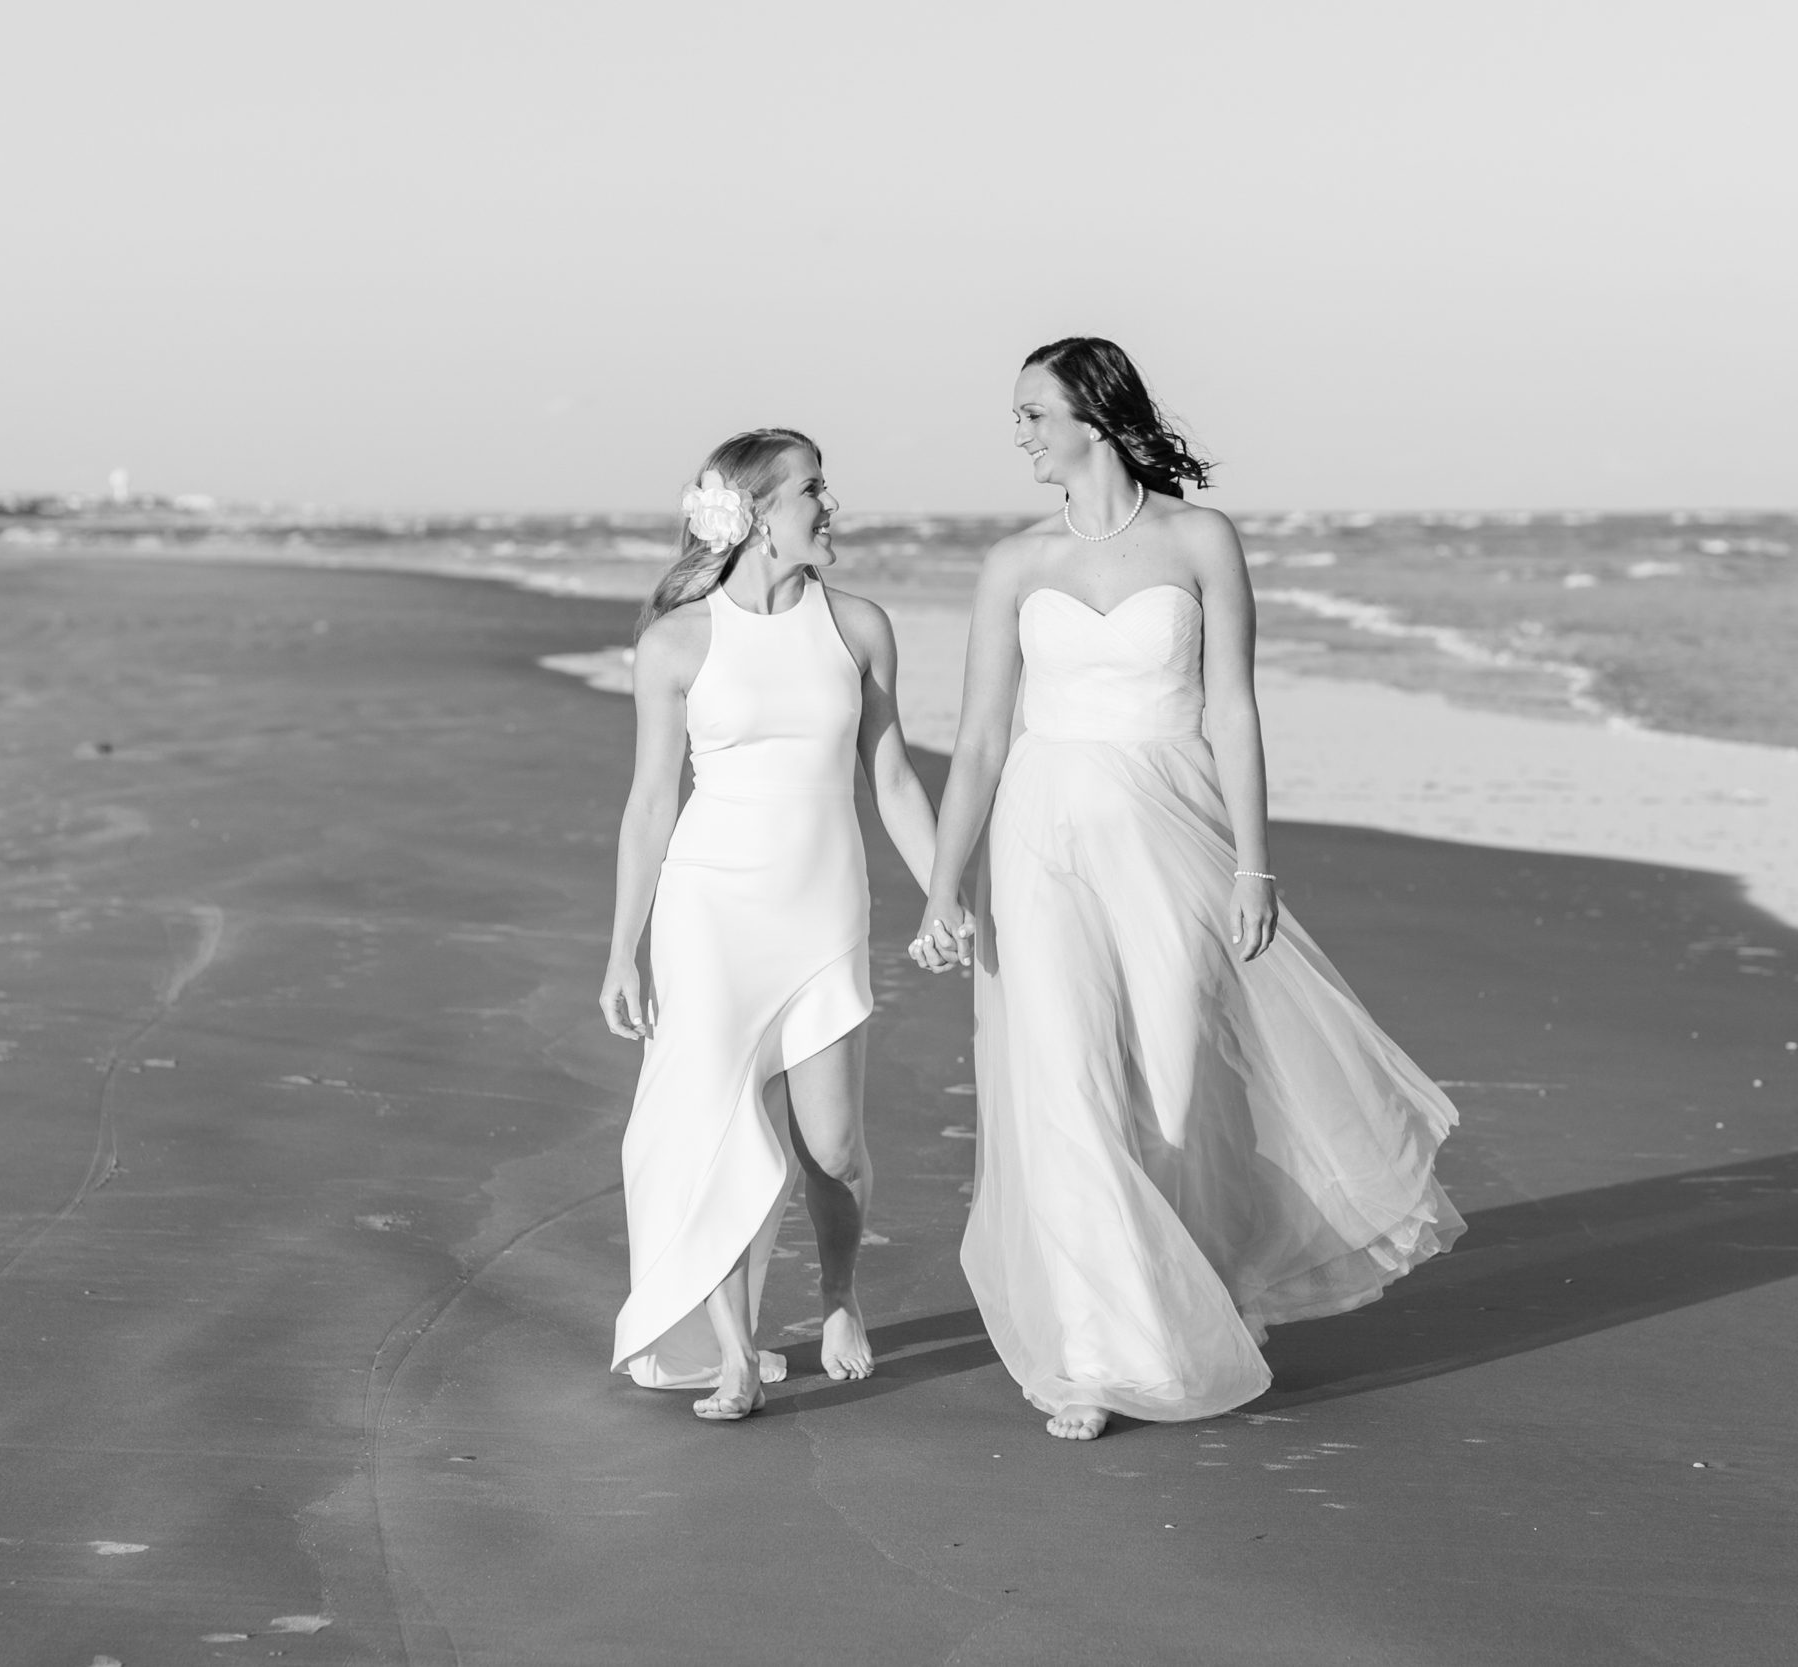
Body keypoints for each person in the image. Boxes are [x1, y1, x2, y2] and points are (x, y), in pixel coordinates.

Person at [911, 339, 1464, 1440]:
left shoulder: (1200, 538)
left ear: (1093, 412)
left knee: (1172, 1090)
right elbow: (976, 739)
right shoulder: (1013, 562)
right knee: (1061, 1083)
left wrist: (1256, 863)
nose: (1018, 434)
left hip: (1175, 831)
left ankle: (1197, 1297)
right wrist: (942, 887)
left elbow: (1235, 712)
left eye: (1033, 413)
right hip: (1037, 836)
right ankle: (1094, 1355)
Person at [603, 428, 939, 1420]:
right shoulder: (676, 641)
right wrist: (623, 945)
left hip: (822, 908)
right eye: (811, 491)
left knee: (832, 1145)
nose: (829, 507)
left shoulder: (860, 627)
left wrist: (945, 892)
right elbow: (650, 802)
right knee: (711, 1127)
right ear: (756, 512)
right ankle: (734, 1353)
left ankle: (838, 1301)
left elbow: (890, 778)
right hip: (708, 914)